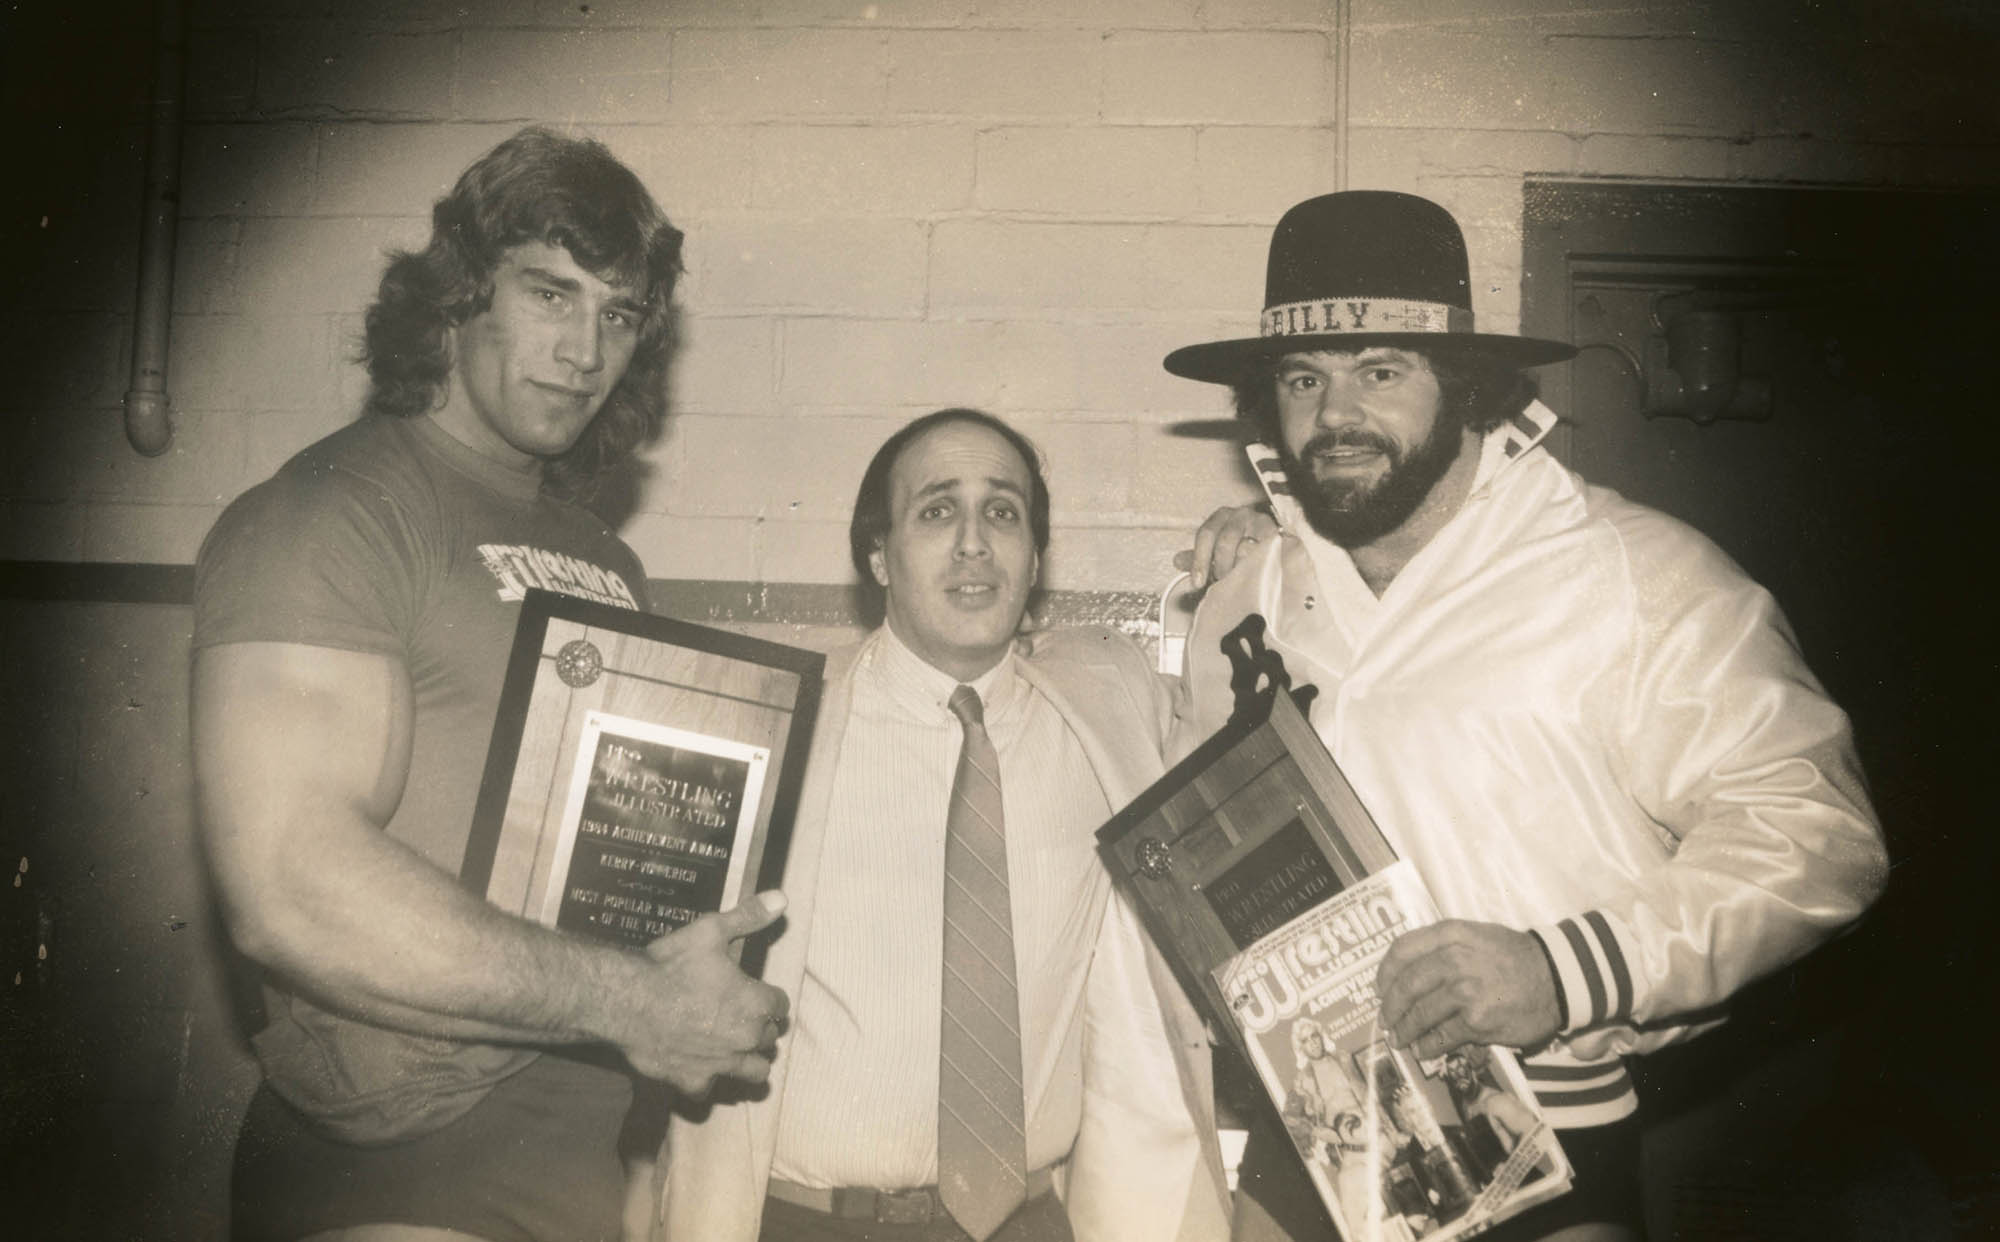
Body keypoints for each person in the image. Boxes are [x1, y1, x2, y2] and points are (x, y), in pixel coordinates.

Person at [1161, 191, 1889, 1241]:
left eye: (1380, 371)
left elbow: (1818, 837)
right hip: (1307, 1142)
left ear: (1463, 387)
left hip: (1550, 1158)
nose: (1334, 415)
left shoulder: (1633, 571)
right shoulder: (1243, 597)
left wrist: (1561, 970)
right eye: (1302, 379)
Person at [190, 127, 790, 1242]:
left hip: (589, 1132)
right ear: (461, 294)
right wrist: (637, 1004)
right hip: (405, 1151)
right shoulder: (333, 512)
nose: (583, 349)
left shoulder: (601, 556)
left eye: (617, 314)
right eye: (548, 294)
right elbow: (286, 884)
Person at [657, 409, 1231, 1242]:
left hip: (1033, 1222)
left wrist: (1276, 553)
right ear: (879, 557)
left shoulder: (1110, 703)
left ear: (1035, 557)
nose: (973, 543)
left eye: (1003, 512)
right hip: (813, 1223)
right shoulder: (779, 724)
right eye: (935, 511)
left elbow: (1248, 744)